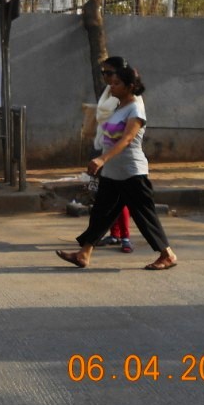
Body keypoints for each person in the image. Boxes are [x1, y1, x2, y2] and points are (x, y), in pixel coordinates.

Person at [56, 64, 178, 271]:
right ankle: (84, 254)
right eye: (111, 83)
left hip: (132, 172)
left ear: (130, 86)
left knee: (144, 214)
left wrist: (102, 159)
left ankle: (167, 255)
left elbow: (127, 139)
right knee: (101, 213)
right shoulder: (119, 107)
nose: (111, 86)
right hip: (113, 173)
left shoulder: (135, 109)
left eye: (117, 83)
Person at [93, 56, 133, 253]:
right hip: (107, 148)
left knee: (123, 198)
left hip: (122, 153)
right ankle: (115, 234)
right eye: (104, 73)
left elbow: (127, 134)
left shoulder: (128, 98)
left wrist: (105, 157)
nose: (106, 78)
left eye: (109, 73)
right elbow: (104, 118)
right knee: (109, 197)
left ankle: (125, 237)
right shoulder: (110, 92)